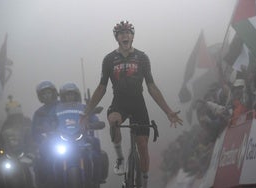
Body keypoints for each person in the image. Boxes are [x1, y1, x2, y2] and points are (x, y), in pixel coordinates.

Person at [83, 21, 183, 188]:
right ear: (117, 38)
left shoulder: (142, 57)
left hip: (138, 103)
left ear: (133, 36)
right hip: (119, 102)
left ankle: (144, 181)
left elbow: (151, 86)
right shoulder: (109, 59)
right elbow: (102, 88)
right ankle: (121, 158)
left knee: (143, 146)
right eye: (121, 33)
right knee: (114, 122)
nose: (125, 36)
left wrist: (168, 111)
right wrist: (87, 112)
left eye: (128, 33)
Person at [56, 82, 108, 184]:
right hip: (63, 139)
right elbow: (50, 121)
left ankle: (97, 177)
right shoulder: (57, 109)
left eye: (72, 94)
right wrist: (49, 127)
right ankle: (54, 181)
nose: (70, 96)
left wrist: (94, 124)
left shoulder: (85, 107)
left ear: (77, 95)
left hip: (82, 138)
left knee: (95, 143)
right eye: (67, 94)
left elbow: (94, 119)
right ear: (63, 96)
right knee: (51, 154)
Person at [32, 80, 59, 188]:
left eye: (48, 92)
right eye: (43, 94)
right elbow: (34, 133)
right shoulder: (38, 113)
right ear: (40, 96)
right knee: (40, 163)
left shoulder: (63, 106)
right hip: (49, 145)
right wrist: (40, 140)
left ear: (54, 93)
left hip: (67, 140)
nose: (46, 95)